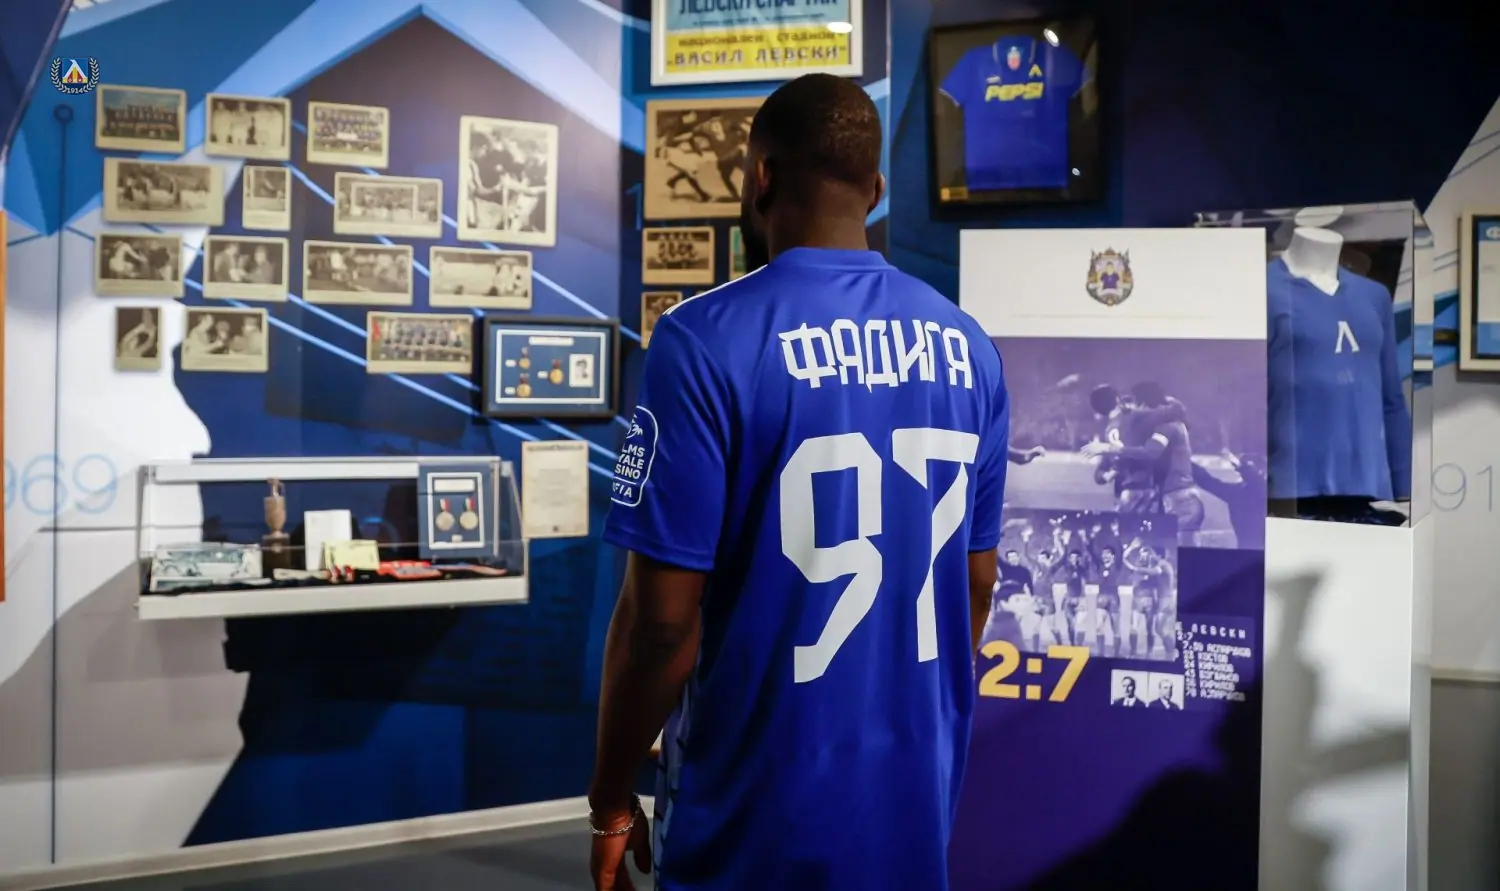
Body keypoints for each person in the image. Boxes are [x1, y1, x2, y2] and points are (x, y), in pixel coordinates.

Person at [589, 73, 1010, 891]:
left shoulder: (701, 339)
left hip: (752, 804)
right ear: (875, 191)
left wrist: (610, 796)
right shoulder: (971, 346)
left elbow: (661, 625)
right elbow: (977, 580)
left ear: (760, 177)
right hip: (910, 796)